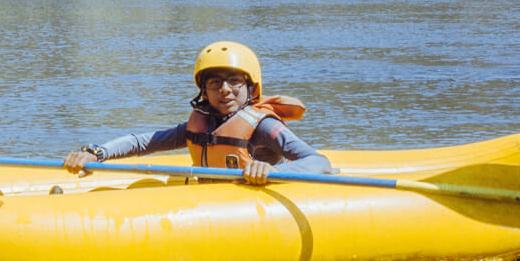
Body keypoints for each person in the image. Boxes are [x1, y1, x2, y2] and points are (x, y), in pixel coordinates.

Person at [62, 41, 334, 184]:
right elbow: (143, 142)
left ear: (250, 87)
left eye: (234, 81)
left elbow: (319, 162)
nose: (225, 90)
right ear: (204, 90)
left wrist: (268, 171)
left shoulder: (263, 127)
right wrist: (96, 153)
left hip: (256, 204)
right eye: (215, 83)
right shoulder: (203, 124)